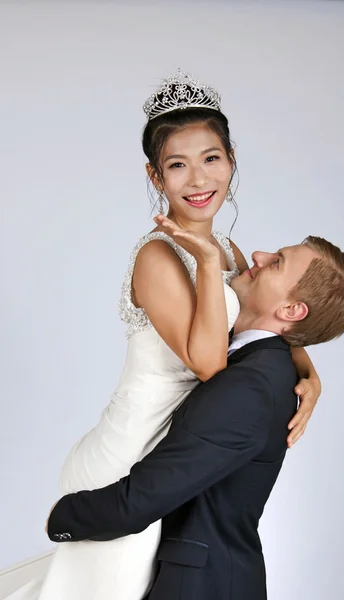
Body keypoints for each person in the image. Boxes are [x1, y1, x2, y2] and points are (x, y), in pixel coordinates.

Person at [1, 70, 321, 600]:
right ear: (156, 177)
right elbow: (211, 364)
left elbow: (269, 324)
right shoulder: (160, 255)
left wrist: (310, 371)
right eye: (178, 165)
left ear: (231, 160)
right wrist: (205, 257)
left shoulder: (232, 253)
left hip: (170, 459)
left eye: (211, 159)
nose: (198, 180)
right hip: (127, 455)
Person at [46, 234, 344, 600]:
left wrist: (60, 518)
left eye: (276, 262)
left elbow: (140, 501)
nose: (257, 256)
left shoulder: (251, 385)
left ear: (292, 311)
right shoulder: (260, 363)